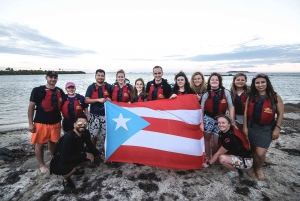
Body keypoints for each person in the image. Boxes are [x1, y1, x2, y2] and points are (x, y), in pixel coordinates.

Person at [243, 73, 284, 181]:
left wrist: (277, 128)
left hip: (266, 129)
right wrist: (245, 127)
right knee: (253, 150)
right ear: (254, 84)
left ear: (267, 83)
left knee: (260, 153)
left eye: (263, 82)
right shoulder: (251, 96)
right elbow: (246, 113)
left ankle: (258, 168)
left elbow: (280, 114)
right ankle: (254, 167)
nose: (260, 84)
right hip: (252, 127)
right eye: (257, 82)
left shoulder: (275, 97)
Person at [28, 70, 65, 174]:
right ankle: (42, 165)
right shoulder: (37, 90)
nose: (53, 79)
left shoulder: (59, 91)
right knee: (39, 144)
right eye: (51, 77)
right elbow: (31, 106)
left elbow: (65, 104)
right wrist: (30, 124)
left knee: (53, 142)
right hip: (41, 122)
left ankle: (54, 158)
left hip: (56, 122)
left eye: (55, 77)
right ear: (46, 78)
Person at [50, 114, 100, 189]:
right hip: (59, 162)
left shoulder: (85, 132)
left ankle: (75, 168)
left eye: (85, 123)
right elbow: (64, 159)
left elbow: (90, 146)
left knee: (92, 154)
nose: (82, 125)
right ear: (74, 125)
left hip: (73, 155)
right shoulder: (69, 137)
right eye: (80, 123)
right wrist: (84, 155)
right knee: (72, 168)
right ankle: (66, 180)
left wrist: (100, 154)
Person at [202, 115, 252, 180]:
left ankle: (235, 171)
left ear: (229, 124)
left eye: (223, 123)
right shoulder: (227, 130)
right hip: (240, 155)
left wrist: (208, 163)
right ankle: (235, 164)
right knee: (221, 155)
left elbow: (219, 153)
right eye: (219, 123)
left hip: (246, 161)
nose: (220, 125)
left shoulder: (229, 137)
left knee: (222, 158)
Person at [201, 72, 235, 160]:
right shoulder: (206, 94)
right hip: (208, 118)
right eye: (212, 79)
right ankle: (208, 156)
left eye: (217, 80)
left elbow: (231, 106)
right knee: (207, 139)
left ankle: (214, 157)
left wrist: (231, 121)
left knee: (216, 141)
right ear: (209, 82)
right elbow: (201, 109)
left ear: (220, 82)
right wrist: (201, 123)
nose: (214, 81)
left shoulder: (226, 92)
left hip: (221, 119)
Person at [85, 69, 111, 148]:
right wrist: (97, 100)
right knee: (93, 135)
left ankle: (107, 151)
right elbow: (86, 100)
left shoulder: (109, 87)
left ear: (104, 77)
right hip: (94, 115)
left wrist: (110, 99)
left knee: (106, 135)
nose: (100, 77)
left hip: (106, 115)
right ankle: (93, 151)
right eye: (98, 75)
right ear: (95, 76)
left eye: (102, 76)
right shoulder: (91, 87)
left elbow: (116, 96)